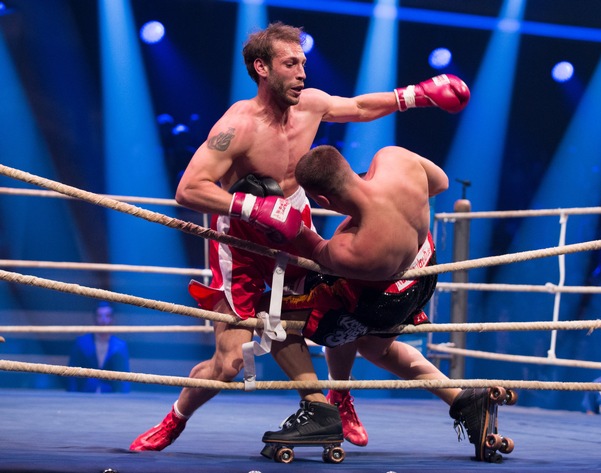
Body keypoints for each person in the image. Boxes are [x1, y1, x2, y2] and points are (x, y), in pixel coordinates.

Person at [128, 21, 470, 452]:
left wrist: (415, 95)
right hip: (241, 244)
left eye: (303, 63)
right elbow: (189, 189)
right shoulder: (238, 125)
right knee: (231, 362)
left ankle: (333, 398)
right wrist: (256, 207)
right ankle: (176, 419)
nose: (303, 73)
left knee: (333, 304)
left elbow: (360, 106)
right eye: (291, 64)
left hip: (295, 229)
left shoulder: (309, 105)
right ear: (262, 68)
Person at [259, 144, 510, 462]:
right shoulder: (396, 159)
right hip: (423, 271)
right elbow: (440, 182)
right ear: (348, 168)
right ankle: (463, 400)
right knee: (377, 349)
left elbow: (314, 249)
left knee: (271, 308)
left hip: (381, 299)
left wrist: (275, 213)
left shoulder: (352, 249)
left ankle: (318, 407)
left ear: (323, 201)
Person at [66, 302, 130, 393]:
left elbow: (125, 379)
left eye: (107, 316)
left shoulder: (120, 346)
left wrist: (124, 401)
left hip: (110, 398)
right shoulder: (81, 343)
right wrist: (71, 398)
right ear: (95, 318)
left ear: (112, 319)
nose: (103, 320)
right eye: (100, 316)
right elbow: (71, 376)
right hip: (84, 396)